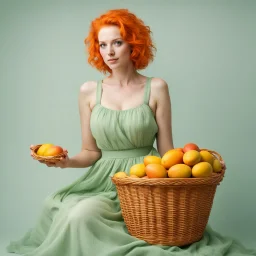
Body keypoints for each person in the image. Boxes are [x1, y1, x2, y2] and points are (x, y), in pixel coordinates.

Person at [6, 8, 255, 256]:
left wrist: (198, 167)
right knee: (78, 216)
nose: (110, 52)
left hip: (146, 178)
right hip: (103, 182)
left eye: (117, 42)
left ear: (133, 45)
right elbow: (91, 152)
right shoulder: (88, 91)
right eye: (102, 45)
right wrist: (65, 162)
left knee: (153, 228)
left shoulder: (156, 87)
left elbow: (167, 151)